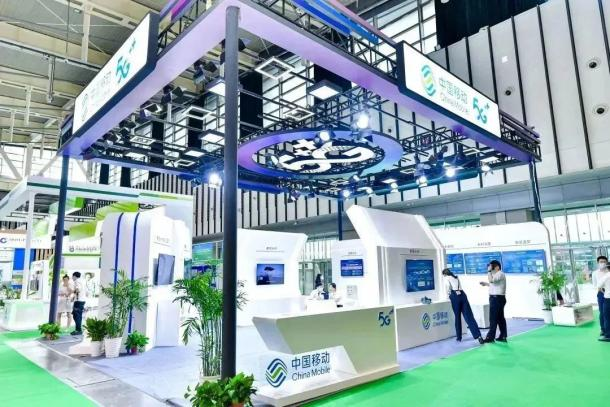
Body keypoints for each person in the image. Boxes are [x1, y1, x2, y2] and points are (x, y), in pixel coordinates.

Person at [443, 268, 484, 345]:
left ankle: (459, 337)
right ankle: (479, 336)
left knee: (457, 317)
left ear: (444, 274)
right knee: (469, 317)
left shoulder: (446, 278)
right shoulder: (456, 277)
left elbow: (448, 288)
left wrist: (448, 296)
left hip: (455, 296)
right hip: (463, 295)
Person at [480, 260, 507, 343]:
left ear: (497, 267)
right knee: (500, 318)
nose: (490, 269)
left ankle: (490, 337)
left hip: (496, 299)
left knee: (493, 318)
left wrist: (488, 271)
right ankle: (503, 336)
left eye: (492, 267)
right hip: (498, 298)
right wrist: (486, 284)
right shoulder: (497, 275)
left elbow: (491, 281)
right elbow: (494, 285)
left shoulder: (500, 273)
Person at [592, 256, 608, 337]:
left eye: (604, 262)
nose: (603, 263)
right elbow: (594, 285)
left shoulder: (608, 272)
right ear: (598, 263)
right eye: (601, 262)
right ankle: (603, 329)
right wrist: (599, 289)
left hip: (609, 293)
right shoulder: (595, 273)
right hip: (601, 294)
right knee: (602, 312)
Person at [597, 264, 610, 342]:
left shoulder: (606, 276)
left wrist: (604, 291)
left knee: (607, 317)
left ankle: (608, 336)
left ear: (607, 268)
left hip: (608, 299)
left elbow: (599, 286)